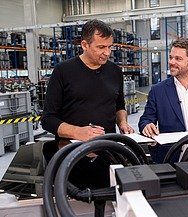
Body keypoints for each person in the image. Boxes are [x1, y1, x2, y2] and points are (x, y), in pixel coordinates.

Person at [41, 19, 134, 190]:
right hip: (71, 155)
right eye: (101, 47)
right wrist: (78, 132)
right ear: (84, 44)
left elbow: (119, 105)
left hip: (107, 151)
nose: (107, 53)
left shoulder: (115, 71)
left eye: (109, 47)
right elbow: (48, 119)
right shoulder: (63, 71)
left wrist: (122, 123)